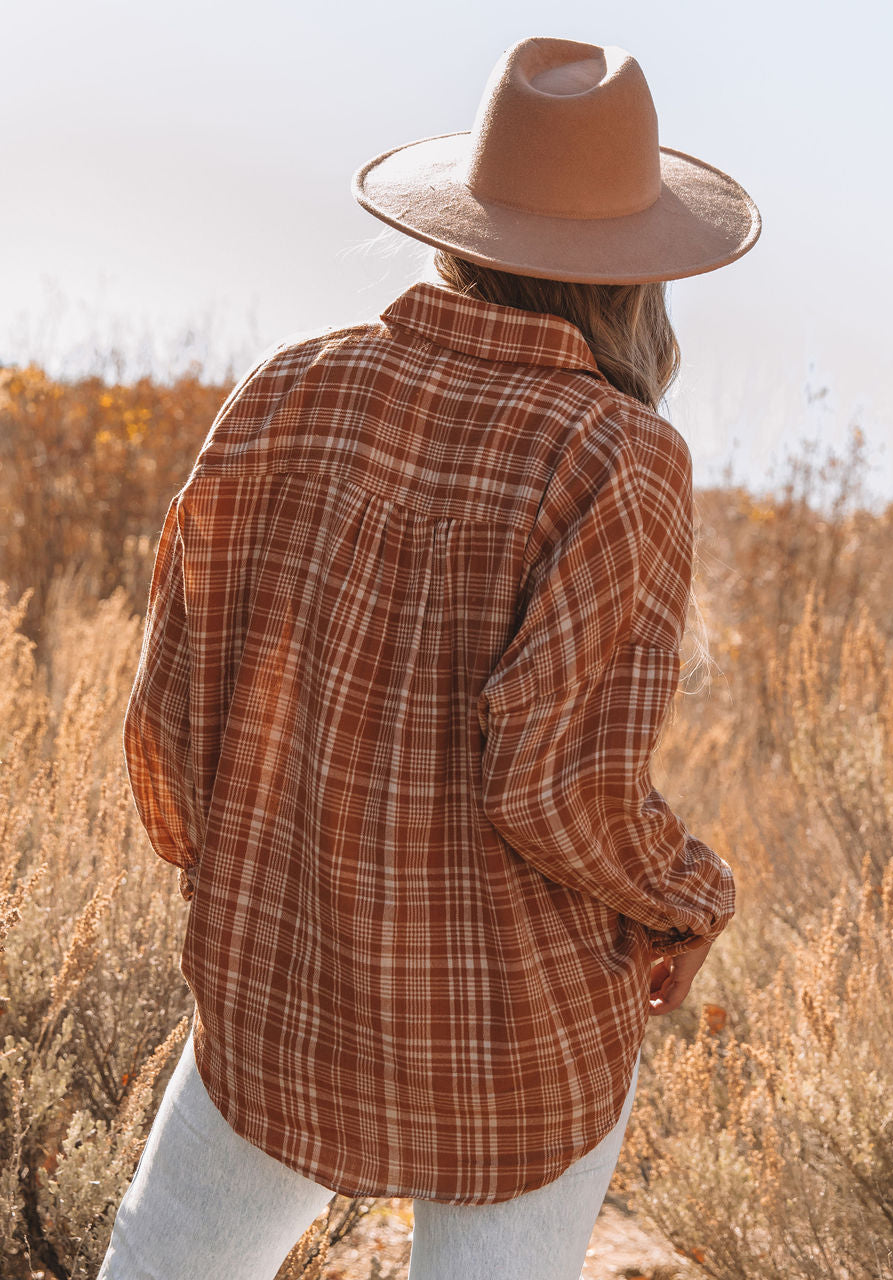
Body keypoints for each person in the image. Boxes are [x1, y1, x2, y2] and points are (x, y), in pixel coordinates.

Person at [97, 34, 759, 1280]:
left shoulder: (286, 391)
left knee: (163, 1263)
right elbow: (556, 784)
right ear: (638, 277)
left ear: (460, 227)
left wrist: (271, 891)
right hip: (508, 1025)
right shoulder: (614, 457)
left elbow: (171, 715)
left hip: (278, 979)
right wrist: (686, 899)